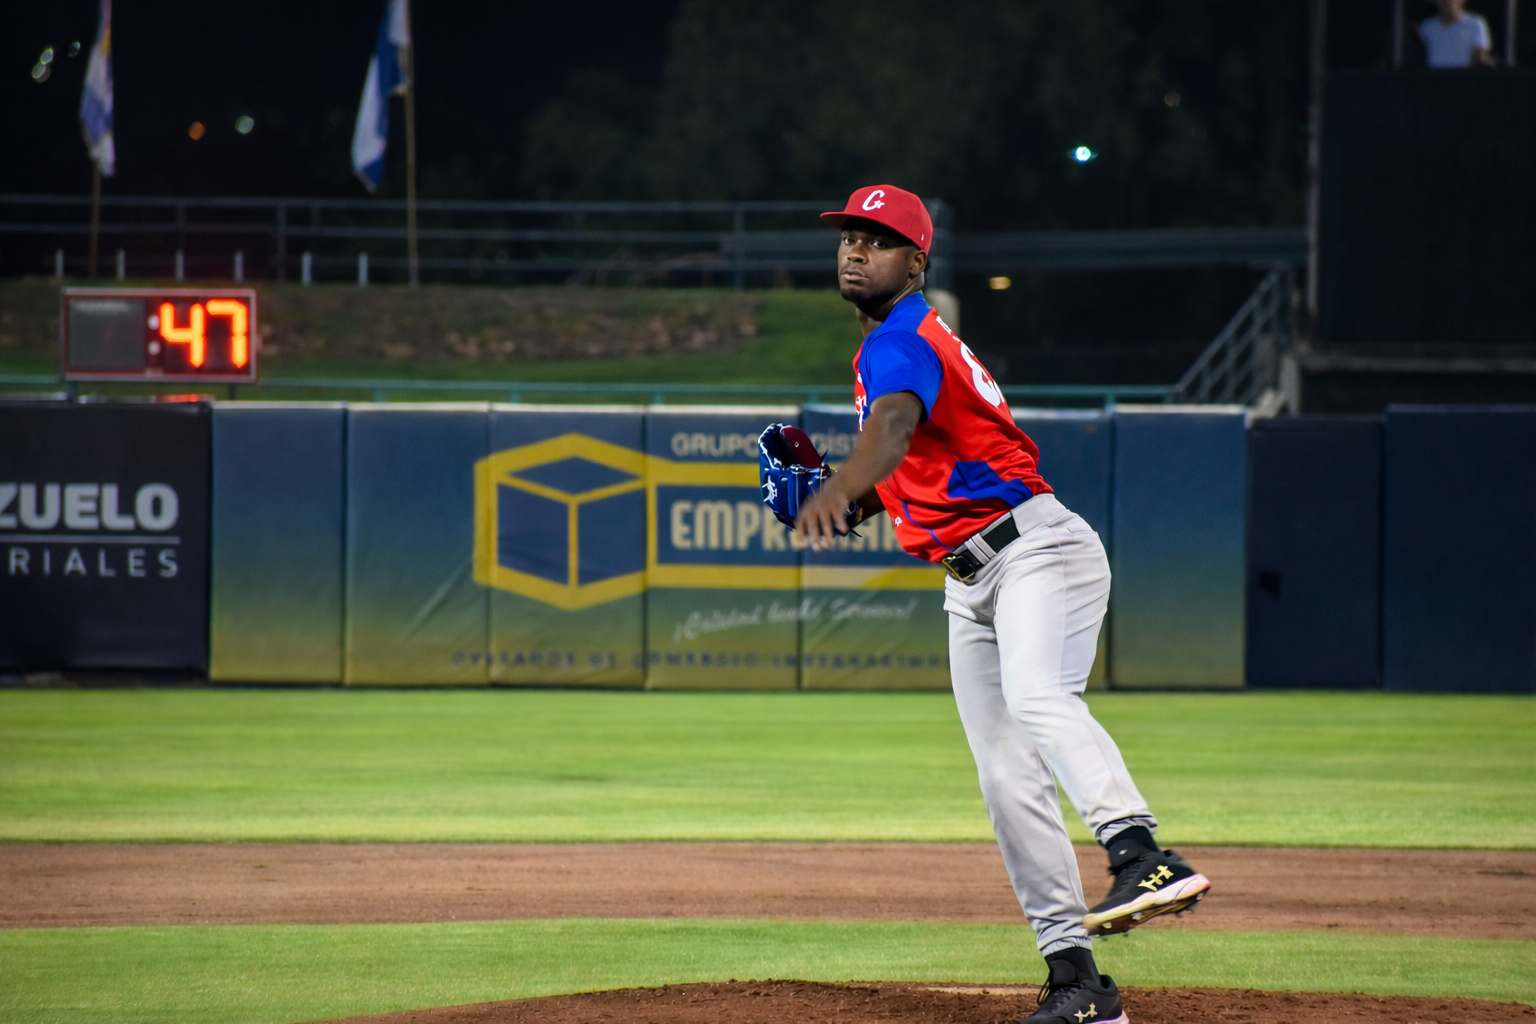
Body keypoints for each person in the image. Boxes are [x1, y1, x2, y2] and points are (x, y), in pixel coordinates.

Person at [797, 184, 1211, 1024]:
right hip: (970, 580)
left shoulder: (903, 338)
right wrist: (844, 501)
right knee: (1007, 778)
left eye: (877, 240)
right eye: (848, 237)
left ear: (917, 262)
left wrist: (837, 487)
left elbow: (892, 433)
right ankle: (1079, 983)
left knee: (1037, 697)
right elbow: (911, 466)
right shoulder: (894, 344)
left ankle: (1143, 854)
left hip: (1034, 552)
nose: (855, 250)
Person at [1419, 0, 1494, 67]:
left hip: (1463, 77)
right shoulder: (1427, 27)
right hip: (1434, 77)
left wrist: (1481, 57)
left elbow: (1480, 54)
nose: (1448, 2)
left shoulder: (1475, 24)